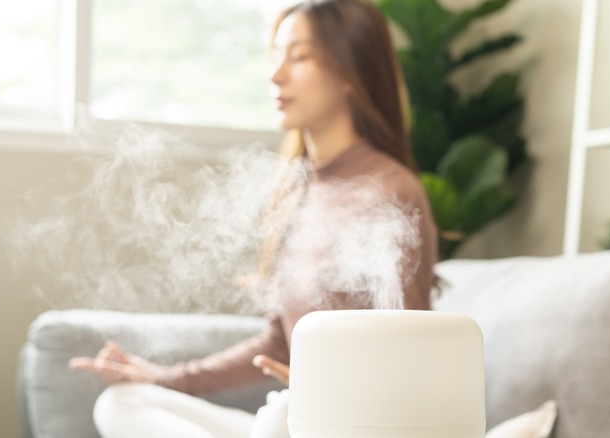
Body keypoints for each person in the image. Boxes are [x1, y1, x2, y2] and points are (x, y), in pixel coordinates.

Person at [69, 0, 438, 436]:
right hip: (292, 416)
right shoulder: (297, 193)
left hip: (349, 425)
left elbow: (413, 358)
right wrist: (163, 377)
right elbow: (277, 344)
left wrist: (330, 394)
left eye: (299, 57)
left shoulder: (393, 191)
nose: (276, 75)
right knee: (123, 403)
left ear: (350, 71)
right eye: (275, 57)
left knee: (283, 417)